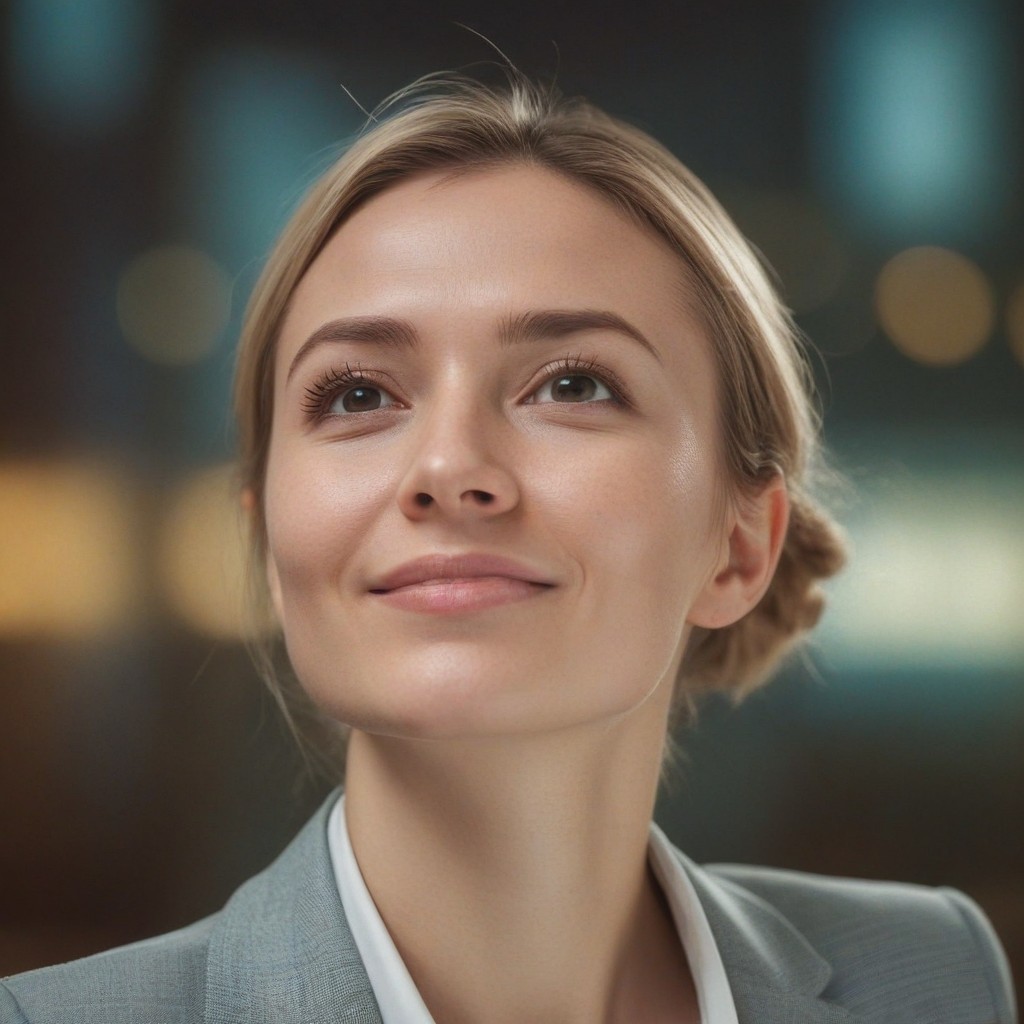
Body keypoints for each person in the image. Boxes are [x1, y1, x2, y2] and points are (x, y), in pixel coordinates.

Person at [1, 74, 1016, 1024]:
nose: (446, 466)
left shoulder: (932, 976)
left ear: (739, 545)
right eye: (358, 394)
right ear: (268, 538)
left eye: (572, 384)